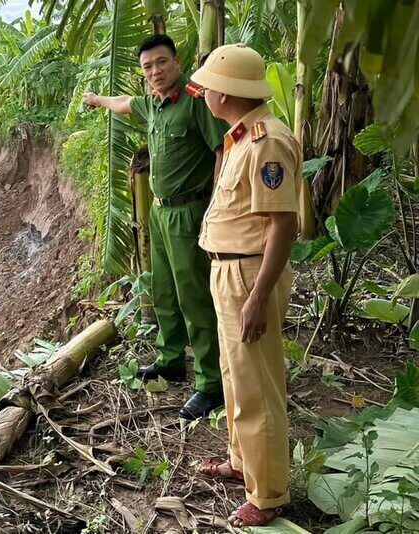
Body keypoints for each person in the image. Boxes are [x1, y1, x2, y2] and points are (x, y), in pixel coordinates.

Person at [82, 35, 226, 420]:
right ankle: (171, 358)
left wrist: (215, 206)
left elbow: (222, 151)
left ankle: (211, 384)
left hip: (189, 212)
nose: (155, 71)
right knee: (163, 289)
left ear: (176, 63)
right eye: (148, 67)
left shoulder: (196, 102)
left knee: (194, 296)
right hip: (160, 215)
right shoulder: (153, 106)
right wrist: (96, 100)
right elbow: (124, 104)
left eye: (161, 63)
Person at [189, 43, 300, 527]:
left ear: (226, 92)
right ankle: (243, 463)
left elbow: (282, 226)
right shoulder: (240, 138)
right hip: (229, 271)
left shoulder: (266, 142)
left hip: (249, 274)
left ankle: (270, 494)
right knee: (235, 377)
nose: (204, 93)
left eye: (207, 86)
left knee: (257, 385)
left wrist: (256, 298)